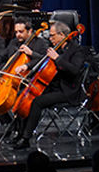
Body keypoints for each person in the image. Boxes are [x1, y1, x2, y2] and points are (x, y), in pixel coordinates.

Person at [8, 21, 86, 149]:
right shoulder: (56, 47)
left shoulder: (76, 50)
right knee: (24, 95)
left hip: (68, 91)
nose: (50, 38)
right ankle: (19, 133)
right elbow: (42, 60)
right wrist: (27, 66)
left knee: (37, 102)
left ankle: (26, 138)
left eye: (52, 35)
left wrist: (57, 59)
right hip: (54, 87)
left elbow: (74, 71)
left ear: (62, 35)